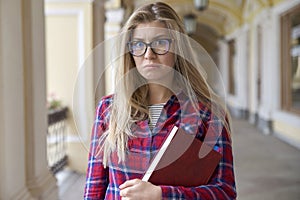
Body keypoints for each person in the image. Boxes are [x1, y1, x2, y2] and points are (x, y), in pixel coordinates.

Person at [84, 2, 236, 199]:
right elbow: (94, 188)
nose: (149, 55)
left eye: (160, 43)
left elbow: (225, 192)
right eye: (139, 44)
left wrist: (162, 195)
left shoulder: (209, 115)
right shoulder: (108, 109)